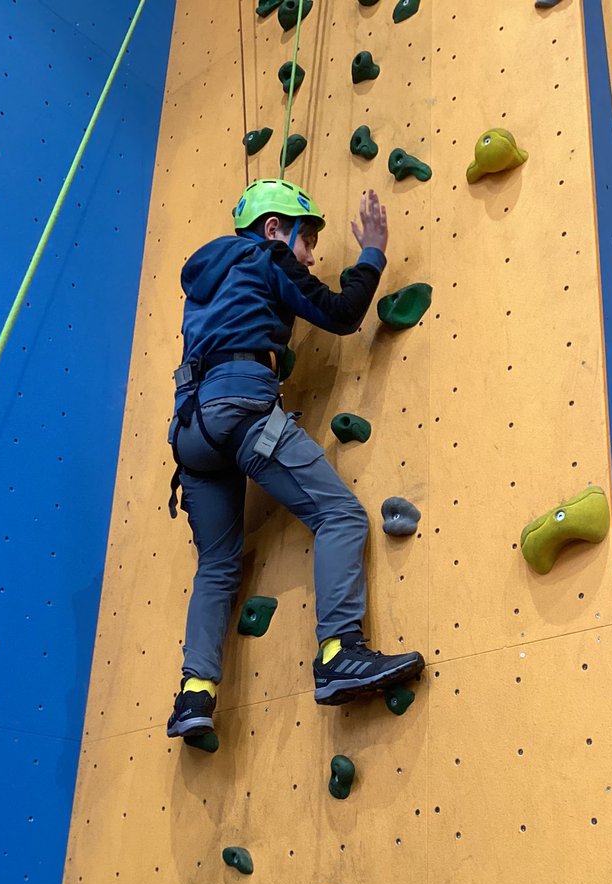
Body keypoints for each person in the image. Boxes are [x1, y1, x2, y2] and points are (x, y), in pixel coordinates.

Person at [166, 178, 425, 740]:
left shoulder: (205, 282)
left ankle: (194, 694)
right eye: (305, 239)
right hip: (241, 408)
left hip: (190, 432)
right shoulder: (265, 256)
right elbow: (340, 312)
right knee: (342, 516)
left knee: (216, 566)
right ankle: (340, 652)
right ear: (273, 227)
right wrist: (374, 253)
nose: (309, 255)